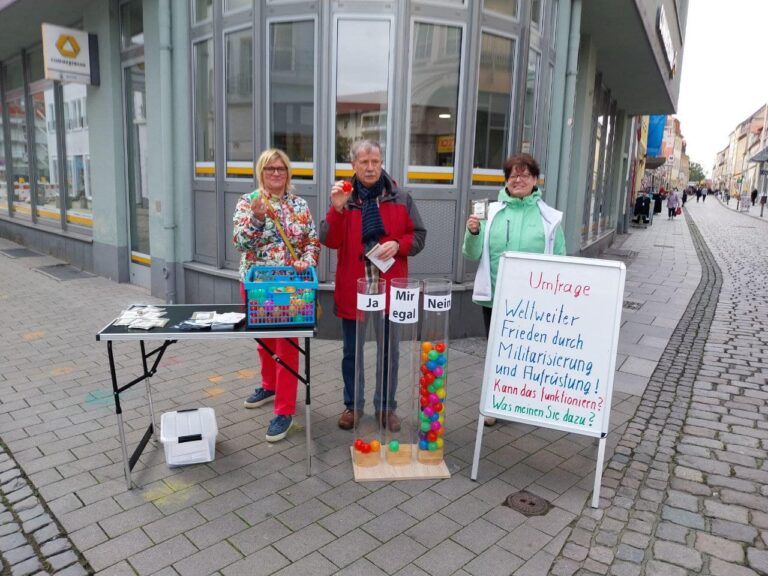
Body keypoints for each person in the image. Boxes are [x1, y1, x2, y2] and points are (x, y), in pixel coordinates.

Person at [320, 140, 426, 432]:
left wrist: (399, 243)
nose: (370, 167)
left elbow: (418, 236)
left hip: (389, 291)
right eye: (364, 162)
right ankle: (352, 405)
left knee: (389, 352)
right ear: (353, 165)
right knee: (352, 353)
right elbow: (328, 240)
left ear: (381, 163)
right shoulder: (344, 197)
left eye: (375, 162)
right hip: (356, 290)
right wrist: (337, 211)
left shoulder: (401, 196)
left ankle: (385, 407)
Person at [463, 153, 566, 425]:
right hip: (496, 298)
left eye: (524, 175)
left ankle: (523, 401)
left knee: (527, 352)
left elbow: (561, 259)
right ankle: (495, 403)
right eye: (512, 175)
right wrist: (473, 232)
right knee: (497, 352)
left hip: (533, 303)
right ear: (506, 181)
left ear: (535, 180)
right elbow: (471, 254)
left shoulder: (549, 218)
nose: (518, 180)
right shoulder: (491, 212)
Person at [233, 149, 320, 442]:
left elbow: (311, 242)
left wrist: (306, 261)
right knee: (263, 340)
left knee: (287, 345)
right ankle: (269, 385)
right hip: (256, 284)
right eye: (270, 168)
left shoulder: (299, 205)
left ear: (288, 173)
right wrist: (257, 219)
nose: (275, 173)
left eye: (281, 168)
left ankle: (284, 409)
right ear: (261, 172)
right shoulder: (248, 202)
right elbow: (240, 243)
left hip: (290, 287)